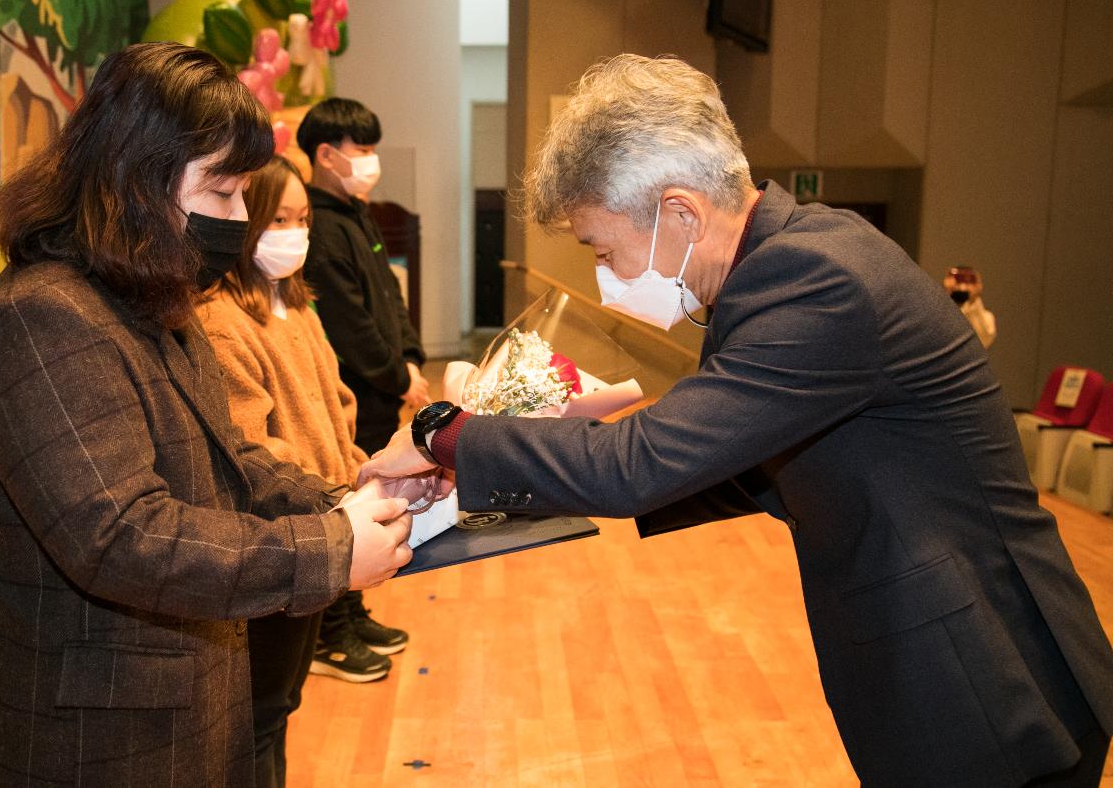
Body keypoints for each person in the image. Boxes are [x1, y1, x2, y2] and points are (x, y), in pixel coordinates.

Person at [362, 55, 1113, 787]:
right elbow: (732, 455)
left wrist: (442, 432)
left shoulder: (815, 279)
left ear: (680, 212)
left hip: (990, 676)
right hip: (946, 658)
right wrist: (495, 473)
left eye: (604, 249)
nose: (606, 275)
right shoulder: (785, 259)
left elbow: (643, 462)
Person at [0, 42, 415, 788]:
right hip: (91, 742)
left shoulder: (150, 296)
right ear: (137, 182)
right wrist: (326, 550)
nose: (237, 218)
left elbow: (226, 457)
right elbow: (121, 535)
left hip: (189, 704)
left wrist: (348, 495)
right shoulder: (39, 319)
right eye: (223, 193)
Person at [193, 155, 392, 783]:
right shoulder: (223, 323)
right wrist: (333, 499)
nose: (295, 233)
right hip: (282, 535)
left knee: (282, 703)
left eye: (303, 219)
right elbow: (251, 450)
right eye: (279, 218)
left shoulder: (299, 308)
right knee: (259, 714)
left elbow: (339, 405)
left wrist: (363, 474)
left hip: (326, 517)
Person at [295, 97, 418, 678]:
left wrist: (412, 360)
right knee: (348, 498)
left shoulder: (357, 213)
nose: (371, 161)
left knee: (367, 496)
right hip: (356, 390)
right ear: (326, 153)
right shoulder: (317, 227)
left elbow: (390, 298)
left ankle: (353, 610)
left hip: (385, 390)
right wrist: (396, 377)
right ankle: (330, 633)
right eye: (361, 150)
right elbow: (349, 322)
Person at [944, 264, 997, 348]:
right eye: (959, 279)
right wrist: (947, 292)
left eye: (969, 280)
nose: (963, 285)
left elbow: (983, 341)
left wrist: (974, 299)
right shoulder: (939, 311)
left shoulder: (987, 317)